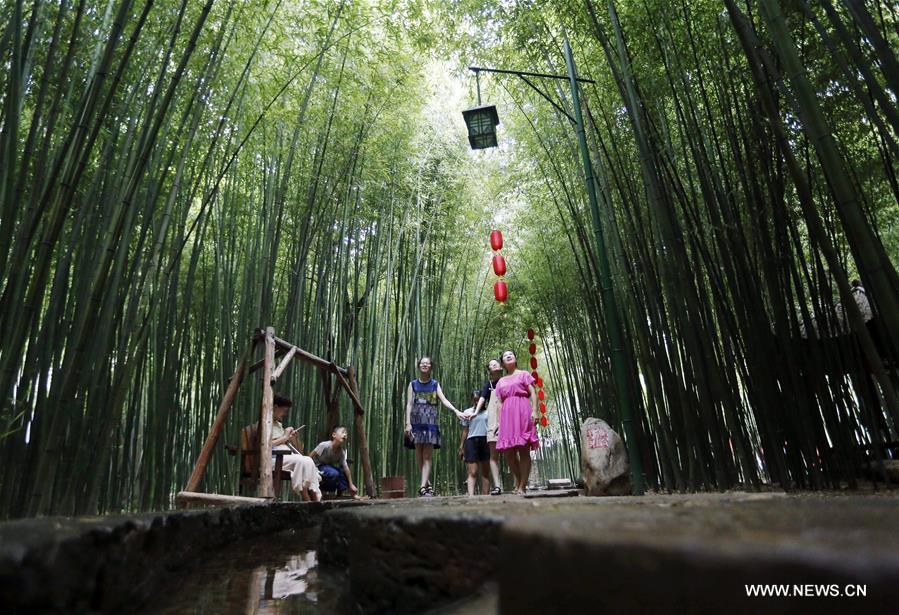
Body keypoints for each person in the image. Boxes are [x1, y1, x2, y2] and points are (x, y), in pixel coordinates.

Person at [404, 356, 465, 497]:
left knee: (427, 456)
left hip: (430, 423)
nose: (425, 365)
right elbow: (409, 404)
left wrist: (456, 411)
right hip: (416, 422)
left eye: (428, 363)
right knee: (419, 455)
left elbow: (444, 400)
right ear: (419, 366)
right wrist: (407, 423)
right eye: (422, 363)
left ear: (431, 367)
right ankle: (427, 484)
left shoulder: (434, 384)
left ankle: (422, 487)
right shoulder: (412, 384)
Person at [495, 350, 540, 494]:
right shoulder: (501, 381)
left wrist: (534, 410)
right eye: (505, 356)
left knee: (524, 449)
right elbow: (499, 402)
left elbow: (533, 392)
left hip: (522, 411)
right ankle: (521, 480)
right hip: (507, 416)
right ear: (502, 363)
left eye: (511, 354)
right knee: (508, 453)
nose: (508, 356)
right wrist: (498, 422)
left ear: (515, 358)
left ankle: (521, 486)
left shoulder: (524, 374)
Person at [271, 395, 321, 502]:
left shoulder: (278, 425)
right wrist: (284, 437)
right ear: (275, 407)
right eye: (284, 410)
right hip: (273, 459)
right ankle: (306, 496)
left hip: (284, 457)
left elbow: (287, 444)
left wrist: (291, 438)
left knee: (308, 460)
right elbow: (267, 445)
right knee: (301, 460)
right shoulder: (265, 424)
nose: (285, 414)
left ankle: (313, 493)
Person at [469, 359, 504, 495]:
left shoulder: (508, 380)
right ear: (489, 371)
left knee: (512, 452)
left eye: (496, 363)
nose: (494, 365)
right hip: (494, 419)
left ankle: (518, 483)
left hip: (509, 416)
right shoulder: (488, 385)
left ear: (501, 366)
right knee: (493, 455)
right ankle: (497, 486)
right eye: (491, 365)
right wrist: (476, 412)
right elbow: (483, 398)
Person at [310, 425, 357, 497]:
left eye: (346, 434)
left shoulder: (341, 452)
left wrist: (351, 484)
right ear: (334, 435)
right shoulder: (324, 445)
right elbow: (310, 456)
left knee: (343, 472)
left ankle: (340, 495)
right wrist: (308, 469)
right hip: (317, 467)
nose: (345, 435)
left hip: (327, 468)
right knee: (334, 473)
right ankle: (325, 491)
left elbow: (346, 468)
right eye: (343, 432)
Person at [459, 389, 490, 496]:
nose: (477, 402)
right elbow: (465, 430)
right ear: (472, 400)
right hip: (471, 442)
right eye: (475, 400)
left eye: (479, 400)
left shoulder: (489, 412)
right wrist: (461, 447)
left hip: (486, 441)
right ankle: (471, 496)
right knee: (472, 472)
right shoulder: (467, 412)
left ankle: (485, 496)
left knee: (485, 473)